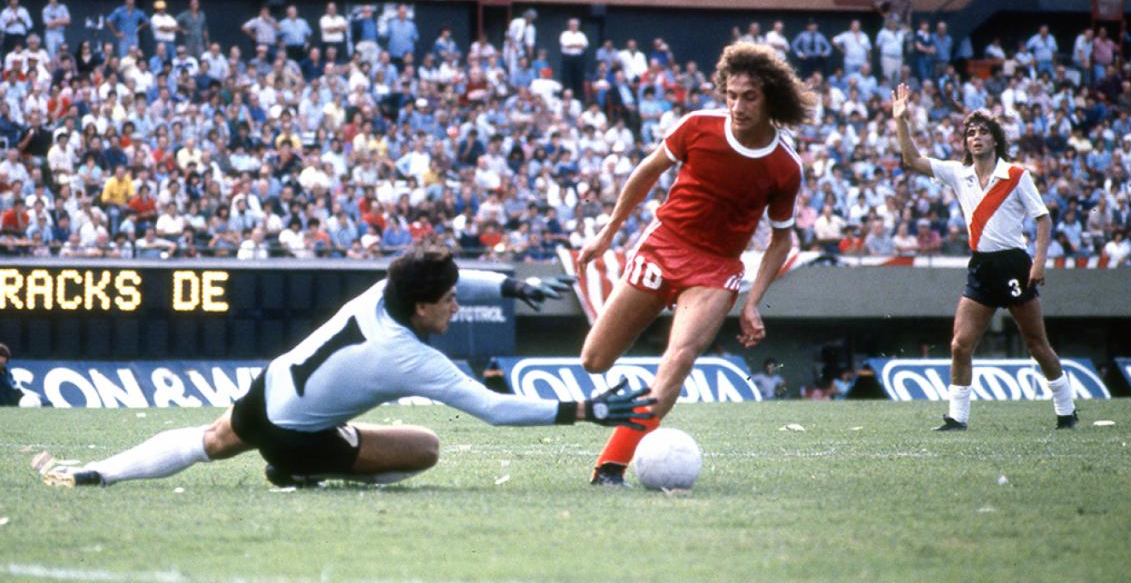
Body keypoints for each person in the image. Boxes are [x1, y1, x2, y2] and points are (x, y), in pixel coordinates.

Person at [36, 246, 651, 489]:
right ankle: (296, 471)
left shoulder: (378, 296)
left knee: (210, 441)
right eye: (450, 302)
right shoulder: (407, 357)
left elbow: (447, 283)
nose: (458, 306)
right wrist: (584, 409)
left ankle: (98, 474)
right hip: (296, 437)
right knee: (427, 446)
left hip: (269, 389)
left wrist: (511, 287)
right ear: (420, 307)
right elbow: (491, 408)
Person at [576, 42, 817, 486]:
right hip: (662, 246)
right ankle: (643, 410)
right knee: (594, 360)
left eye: (749, 97)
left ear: (770, 100)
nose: (737, 105)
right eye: (731, 94)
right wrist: (608, 231)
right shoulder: (697, 127)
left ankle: (610, 466)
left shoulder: (785, 166)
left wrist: (753, 302)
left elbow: (782, 239)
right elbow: (646, 173)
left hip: (715, 269)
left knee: (680, 357)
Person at [891, 83, 1077, 431]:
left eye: (983, 132)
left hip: (1013, 264)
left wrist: (1039, 261)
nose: (975, 137)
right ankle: (957, 419)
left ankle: (1066, 410)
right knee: (960, 344)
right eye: (970, 133)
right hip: (981, 266)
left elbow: (1043, 219)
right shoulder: (958, 174)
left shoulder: (1016, 175)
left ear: (995, 140)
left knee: (1036, 343)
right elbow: (911, 159)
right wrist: (902, 121)